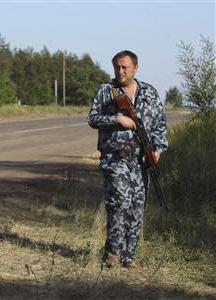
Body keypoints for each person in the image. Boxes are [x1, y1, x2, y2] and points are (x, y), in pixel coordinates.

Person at [87, 50, 167, 270]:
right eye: (117, 67)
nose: (120, 71)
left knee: (136, 206)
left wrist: (157, 149)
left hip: (140, 160)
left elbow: (160, 124)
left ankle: (129, 257)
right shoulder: (106, 91)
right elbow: (92, 119)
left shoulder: (150, 93)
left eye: (125, 67)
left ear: (136, 68)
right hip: (115, 158)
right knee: (119, 202)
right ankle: (112, 253)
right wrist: (117, 119)